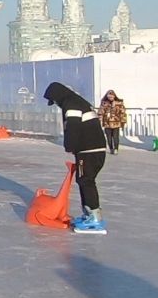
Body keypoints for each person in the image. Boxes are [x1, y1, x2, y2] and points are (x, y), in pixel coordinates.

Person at [43, 81, 109, 232]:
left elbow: (73, 127)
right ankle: (89, 213)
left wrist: (69, 146)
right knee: (85, 180)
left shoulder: (71, 104)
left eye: (55, 101)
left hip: (88, 151)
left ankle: (94, 217)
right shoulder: (77, 102)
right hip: (92, 150)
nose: (57, 105)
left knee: (86, 180)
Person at [98, 90, 127, 154]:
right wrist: (100, 121)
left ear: (114, 96)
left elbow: (123, 113)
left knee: (115, 136)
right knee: (109, 137)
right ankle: (111, 148)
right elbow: (100, 113)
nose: (110, 97)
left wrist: (123, 122)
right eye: (109, 96)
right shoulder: (104, 103)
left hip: (116, 122)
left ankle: (116, 148)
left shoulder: (119, 103)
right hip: (107, 123)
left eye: (112, 96)